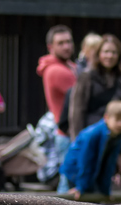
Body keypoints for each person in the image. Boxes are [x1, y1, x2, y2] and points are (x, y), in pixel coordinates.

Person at [59, 101, 121, 199]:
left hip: (89, 176)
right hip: (74, 173)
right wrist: (80, 187)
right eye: (117, 119)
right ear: (106, 118)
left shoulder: (117, 136)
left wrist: (105, 189)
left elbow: (110, 163)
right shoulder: (92, 135)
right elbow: (85, 161)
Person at [68, 34, 121, 138]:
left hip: (112, 136)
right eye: (106, 52)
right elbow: (77, 111)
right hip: (90, 134)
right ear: (98, 54)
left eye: (114, 52)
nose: (110, 56)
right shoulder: (86, 76)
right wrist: (77, 139)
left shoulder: (119, 78)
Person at [37, 25, 77, 171]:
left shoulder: (68, 66)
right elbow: (83, 98)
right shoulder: (57, 70)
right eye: (61, 43)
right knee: (69, 183)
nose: (66, 46)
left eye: (69, 41)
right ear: (50, 47)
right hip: (67, 133)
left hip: (67, 132)